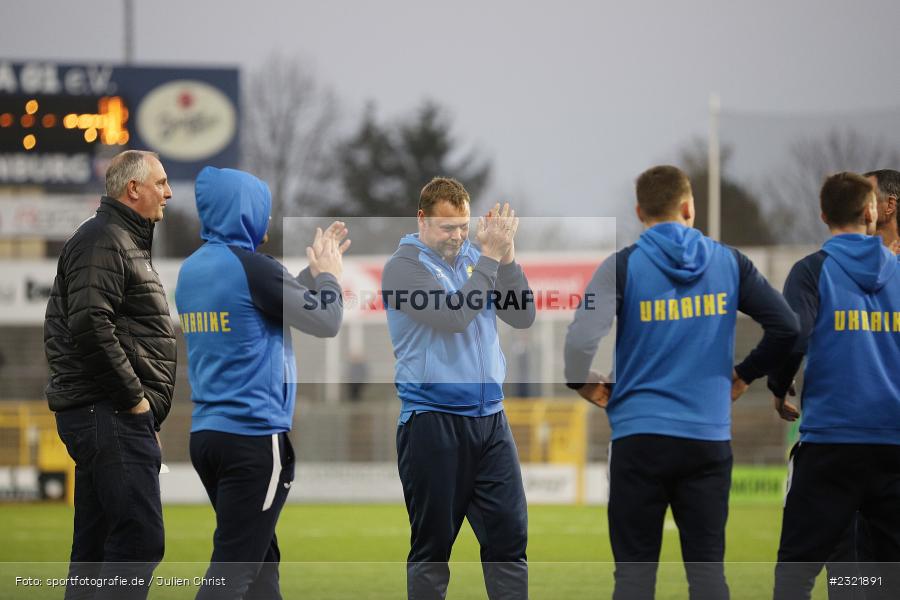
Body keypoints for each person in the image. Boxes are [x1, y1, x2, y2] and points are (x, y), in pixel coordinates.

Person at [564, 165, 799, 600]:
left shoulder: (620, 267)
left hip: (639, 438)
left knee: (634, 580)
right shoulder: (730, 263)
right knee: (708, 575)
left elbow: (579, 338)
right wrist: (744, 374)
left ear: (640, 211)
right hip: (706, 438)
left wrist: (581, 380)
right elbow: (788, 327)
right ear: (689, 206)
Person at [174, 167, 348, 599]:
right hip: (253, 439)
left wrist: (308, 278)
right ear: (245, 212)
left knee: (259, 564)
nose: (267, 222)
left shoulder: (193, 270)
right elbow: (326, 320)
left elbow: (259, 303)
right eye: (262, 211)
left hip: (208, 437)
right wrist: (328, 276)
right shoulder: (254, 268)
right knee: (233, 572)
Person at [381, 176, 535, 599]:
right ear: (422, 220)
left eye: (463, 226)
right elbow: (452, 316)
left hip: (490, 423)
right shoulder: (402, 268)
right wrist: (488, 258)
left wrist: (506, 258)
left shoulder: (475, 259)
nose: (457, 236)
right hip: (433, 423)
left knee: (509, 543)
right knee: (432, 552)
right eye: (447, 227)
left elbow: (522, 316)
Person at [43, 150, 177, 600]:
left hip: (112, 414)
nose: (169, 192)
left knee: (97, 548)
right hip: (109, 412)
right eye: (160, 182)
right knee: (139, 540)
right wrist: (135, 402)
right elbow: (89, 324)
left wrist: (140, 416)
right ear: (132, 188)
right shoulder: (103, 239)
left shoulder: (118, 238)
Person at [770, 172, 900, 600]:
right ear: (870, 212)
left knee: (796, 571)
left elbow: (794, 335)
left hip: (831, 443)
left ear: (823, 215)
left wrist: (778, 383)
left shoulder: (812, 272)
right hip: (893, 444)